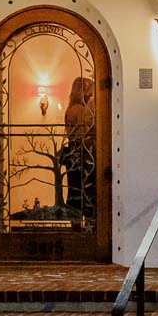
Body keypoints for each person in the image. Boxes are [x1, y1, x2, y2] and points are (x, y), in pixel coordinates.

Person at [60, 76, 96, 220]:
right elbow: (86, 132)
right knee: (83, 189)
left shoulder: (70, 108)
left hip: (72, 151)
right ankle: (84, 223)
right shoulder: (81, 109)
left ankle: (74, 221)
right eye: (88, 89)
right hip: (81, 152)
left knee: (73, 189)